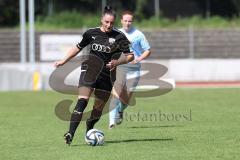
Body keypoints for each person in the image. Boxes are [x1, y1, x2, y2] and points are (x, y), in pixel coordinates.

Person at [54, 6, 134, 145]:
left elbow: (130, 56)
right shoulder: (90, 33)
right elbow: (77, 48)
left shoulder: (119, 36)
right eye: (106, 22)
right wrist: (63, 60)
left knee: (97, 110)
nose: (109, 25)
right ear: (101, 20)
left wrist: (117, 62)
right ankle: (70, 133)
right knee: (82, 101)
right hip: (89, 70)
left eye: (111, 23)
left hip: (106, 76)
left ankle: (89, 130)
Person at [109, 10, 151, 128]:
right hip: (120, 66)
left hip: (134, 67)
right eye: (125, 21)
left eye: (130, 21)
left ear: (132, 22)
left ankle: (120, 110)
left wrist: (139, 59)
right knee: (116, 92)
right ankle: (111, 121)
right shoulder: (115, 33)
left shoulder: (138, 34)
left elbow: (148, 50)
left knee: (126, 99)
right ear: (121, 21)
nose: (127, 23)